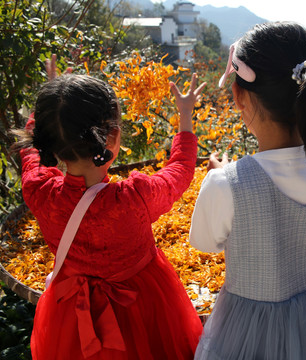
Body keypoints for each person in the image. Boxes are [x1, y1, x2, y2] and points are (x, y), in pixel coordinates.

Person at [189, 22, 306, 360]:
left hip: (251, 334)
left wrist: (227, 178)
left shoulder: (224, 185)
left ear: (239, 97)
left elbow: (204, 242)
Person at [11, 56, 205, 359]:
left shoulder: (39, 191)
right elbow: (180, 170)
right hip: (144, 304)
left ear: (48, 136)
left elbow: (31, 154)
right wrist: (185, 118)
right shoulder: (133, 199)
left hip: (70, 316)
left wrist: (49, 109)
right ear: (112, 137)